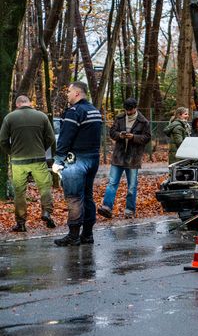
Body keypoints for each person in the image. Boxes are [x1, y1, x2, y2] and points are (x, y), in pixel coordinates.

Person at [53, 82, 103, 246]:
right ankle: (87, 234)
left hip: (76, 159)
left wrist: (58, 160)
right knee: (87, 196)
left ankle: (73, 236)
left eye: (69, 91)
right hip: (93, 158)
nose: (67, 94)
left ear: (77, 93)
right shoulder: (94, 111)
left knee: (74, 198)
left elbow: (65, 137)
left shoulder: (75, 112)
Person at [0, 95, 56, 232]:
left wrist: (12, 152)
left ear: (17, 104)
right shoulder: (41, 116)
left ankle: (21, 223)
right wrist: (41, 149)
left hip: (18, 161)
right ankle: (47, 213)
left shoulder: (10, 118)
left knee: (19, 192)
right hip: (38, 159)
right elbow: (51, 137)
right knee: (44, 187)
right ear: (29, 103)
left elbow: (2, 140)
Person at [98, 98, 151, 219]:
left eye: (131, 110)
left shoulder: (143, 122)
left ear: (135, 108)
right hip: (119, 156)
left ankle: (129, 210)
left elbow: (147, 138)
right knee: (112, 182)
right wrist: (120, 135)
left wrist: (133, 137)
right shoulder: (120, 118)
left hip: (133, 158)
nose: (128, 112)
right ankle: (107, 207)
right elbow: (112, 133)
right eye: (127, 110)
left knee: (132, 185)